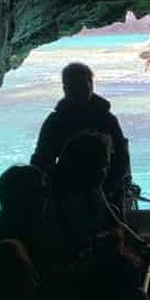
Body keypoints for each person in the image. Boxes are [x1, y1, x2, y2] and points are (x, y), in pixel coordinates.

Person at [31, 62, 131, 212]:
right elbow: (43, 161)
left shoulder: (105, 119)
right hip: (71, 191)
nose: (82, 91)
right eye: (77, 87)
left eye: (84, 86)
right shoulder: (57, 122)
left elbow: (121, 157)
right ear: (66, 88)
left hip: (104, 191)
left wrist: (110, 188)